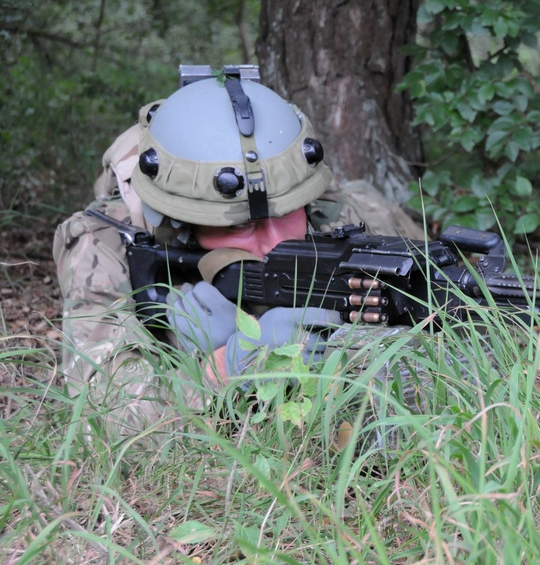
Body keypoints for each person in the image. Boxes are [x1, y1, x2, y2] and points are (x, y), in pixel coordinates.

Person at [54, 71, 425, 452]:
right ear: (179, 227)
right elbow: (109, 427)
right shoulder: (102, 244)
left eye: (289, 213)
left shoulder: (344, 212)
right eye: (243, 226)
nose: (274, 242)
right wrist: (226, 366)